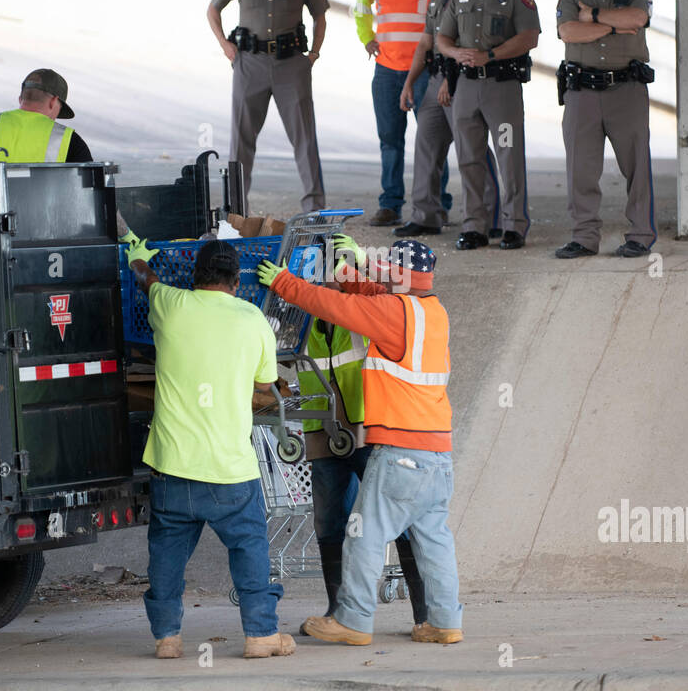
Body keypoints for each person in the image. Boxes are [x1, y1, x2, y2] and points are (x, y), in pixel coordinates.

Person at [256, 235, 462, 646]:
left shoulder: (394, 312)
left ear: (399, 276)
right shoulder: (430, 311)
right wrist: (351, 272)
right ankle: (443, 621)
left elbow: (338, 307)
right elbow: (368, 293)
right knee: (433, 538)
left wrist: (284, 283)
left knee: (362, 532)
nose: (378, 271)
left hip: (401, 450)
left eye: (386, 267)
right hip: (436, 451)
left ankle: (352, 620)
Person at [125, 238, 295, 660]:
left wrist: (138, 257)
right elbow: (263, 384)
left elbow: (147, 280)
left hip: (172, 466)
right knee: (250, 547)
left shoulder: (170, 304)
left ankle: (167, 637)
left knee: (166, 553)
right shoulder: (253, 317)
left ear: (195, 278)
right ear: (237, 283)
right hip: (229, 469)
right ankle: (260, 635)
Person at [297, 279, 428, 632]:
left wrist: (349, 278)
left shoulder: (361, 311)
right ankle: (338, 612)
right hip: (321, 431)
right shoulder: (300, 319)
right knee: (329, 523)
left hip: (368, 427)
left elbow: (387, 297)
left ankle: (426, 615)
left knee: (398, 517)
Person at [208, 0, 330, 212]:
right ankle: (236, 211)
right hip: (249, 62)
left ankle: (314, 209)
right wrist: (226, 45)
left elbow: (320, 15)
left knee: (304, 137)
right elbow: (213, 9)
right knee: (241, 140)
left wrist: (313, 53)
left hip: (292, 63)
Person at [554, 0, 657, 260]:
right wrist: (613, 26)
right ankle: (584, 237)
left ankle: (640, 235)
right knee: (581, 168)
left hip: (626, 90)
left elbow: (638, 18)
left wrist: (594, 17)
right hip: (581, 92)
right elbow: (568, 31)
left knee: (636, 166)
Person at [436, 0, 540, 251]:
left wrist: (490, 55)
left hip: (502, 89)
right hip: (466, 89)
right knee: (468, 157)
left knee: (508, 156)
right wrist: (456, 53)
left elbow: (529, 37)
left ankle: (513, 226)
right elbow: (442, 38)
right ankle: (474, 227)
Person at [395, 0, 501, 239]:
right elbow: (426, 43)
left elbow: (469, 44)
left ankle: (492, 218)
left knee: (474, 151)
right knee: (426, 149)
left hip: (463, 82)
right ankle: (426, 216)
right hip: (434, 81)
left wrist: (450, 83)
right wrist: (409, 83)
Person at [353, 0, 451, 227]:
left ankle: (438, 204)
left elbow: (451, 12)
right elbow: (361, 8)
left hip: (426, 69)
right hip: (387, 69)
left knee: (432, 140)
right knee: (390, 141)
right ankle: (390, 204)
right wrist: (366, 37)